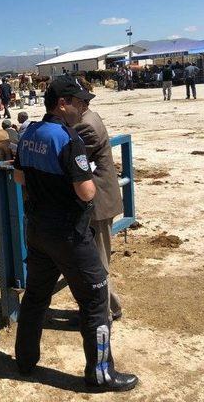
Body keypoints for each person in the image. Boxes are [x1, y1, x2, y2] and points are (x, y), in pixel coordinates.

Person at [13, 75, 137, 392]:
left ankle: (25, 360)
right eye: (79, 102)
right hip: (68, 232)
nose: (83, 107)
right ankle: (100, 374)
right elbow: (84, 192)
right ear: (62, 104)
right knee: (95, 300)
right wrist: (89, 182)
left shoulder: (28, 134)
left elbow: (18, 177)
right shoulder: (68, 139)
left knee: (36, 296)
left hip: (37, 228)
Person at [74, 100, 124, 321]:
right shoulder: (90, 118)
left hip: (97, 202)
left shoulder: (85, 126)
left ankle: (101, 314)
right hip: (101, 199)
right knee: (97, 258)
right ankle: (112, 306)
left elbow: (70, 160)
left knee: (98, 260)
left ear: (78, 104)